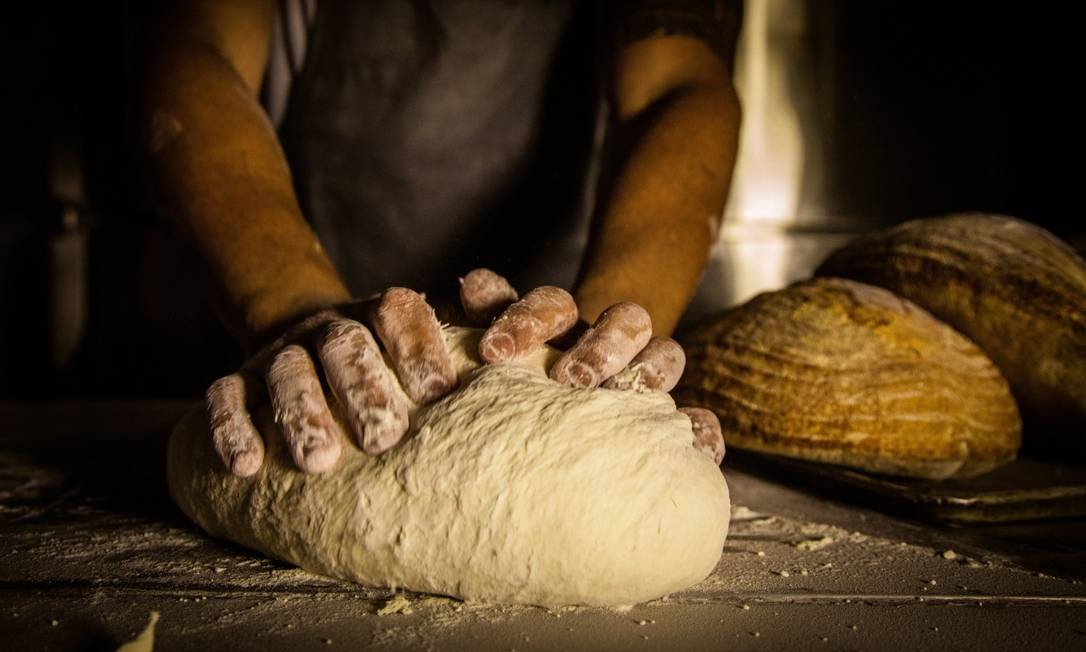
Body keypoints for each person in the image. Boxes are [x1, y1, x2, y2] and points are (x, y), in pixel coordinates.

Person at [139, 0, 742, 475]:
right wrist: (296, 309)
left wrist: (602, 353)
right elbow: (195, 47)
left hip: (551, 310)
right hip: (299, 297)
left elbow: (676, 87)